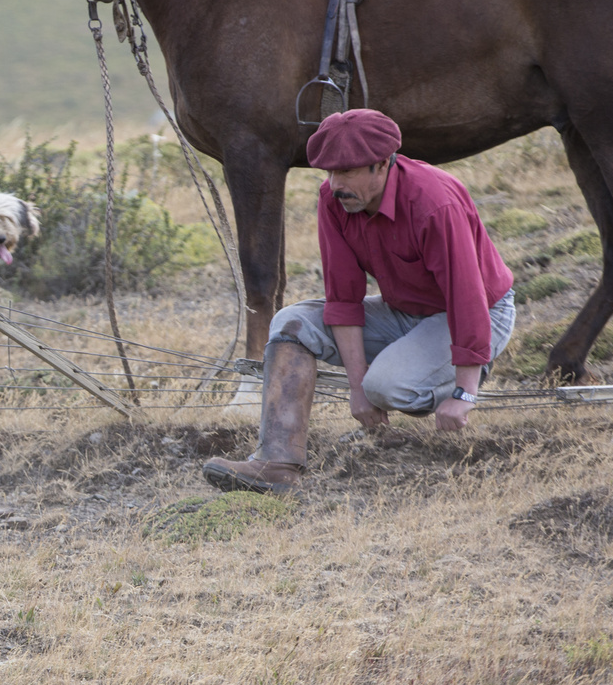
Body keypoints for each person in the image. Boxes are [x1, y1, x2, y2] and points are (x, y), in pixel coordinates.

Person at [202, 108, 515, 494]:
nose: (336, 183)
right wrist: (356, 388)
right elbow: (343, 296)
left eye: (347, 171)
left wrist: (464, 393)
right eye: (330, 171)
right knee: (290, 323)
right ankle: (276, 463)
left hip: (478, 312)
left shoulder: (434, 203)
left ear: (382, 164)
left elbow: (467, 297)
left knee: (387, 386)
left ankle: (462, 371)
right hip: (403, 310)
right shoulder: (334, 200)